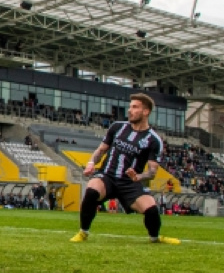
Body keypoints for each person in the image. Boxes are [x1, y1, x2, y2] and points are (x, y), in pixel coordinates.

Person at [71, 93, 180, 245]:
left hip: (130, 183)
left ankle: (155, 238)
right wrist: (91, 163)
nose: (130, 110)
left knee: (152, 210)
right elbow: (101, 150)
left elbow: (152, 172)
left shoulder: (153, 140)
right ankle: (83, 232)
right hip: (107, 176)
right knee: (91, 191)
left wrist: (139, 177)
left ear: (146, 111)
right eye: (130, 107)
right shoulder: (117, 127)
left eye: (135, 107)